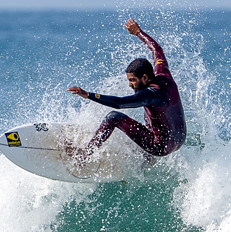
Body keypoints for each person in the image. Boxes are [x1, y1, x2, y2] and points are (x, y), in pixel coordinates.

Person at [67, 18, 186, 158]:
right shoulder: (163, 73)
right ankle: (146, 158)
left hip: (160, 147)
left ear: (145, 78)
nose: (130, 85)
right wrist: (138, 33)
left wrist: (88, 95)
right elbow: (157, 50)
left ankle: (86, 155)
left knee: (114, 117)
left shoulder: (150, 94)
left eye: (133, 80)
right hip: (179, 139)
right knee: (152, 117)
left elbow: (119, 103)